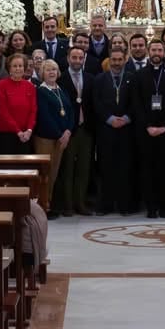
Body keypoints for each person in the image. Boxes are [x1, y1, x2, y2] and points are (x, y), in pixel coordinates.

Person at [129, 39, 165, 218]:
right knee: (147, 170)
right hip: (145, 131)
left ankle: (164, 206)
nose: (156, 53)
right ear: (149, 52)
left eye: (159, 50)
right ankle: (151, 206)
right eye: (154, 50)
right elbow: (136, 104)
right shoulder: (139, 75)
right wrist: (148, 126)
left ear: (164, 53)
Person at [94, 48, 135, 214]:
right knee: (106, 169)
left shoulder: (132, 79)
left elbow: (137, 102)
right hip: (106, 130)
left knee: (125, 169)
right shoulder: (99, 79)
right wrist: (110, 119)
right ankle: (106, 205)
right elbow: (96, 103)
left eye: (120, 59)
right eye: (114, 60)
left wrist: (126, 118)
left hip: (126, 130)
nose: (117, 63)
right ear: (109, 61)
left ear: (125, 60)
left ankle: (124, 205)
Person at [34, 60, 75, 219]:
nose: (52, 72)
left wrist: (68, 131)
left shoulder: (60, 89)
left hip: (61, 138)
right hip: (46, 138)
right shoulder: (41, 91)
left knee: (55, 172)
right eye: (48, 70)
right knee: (45, 174)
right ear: (42, 73)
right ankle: (43, 206)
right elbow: (44, 116)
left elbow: (70, 111)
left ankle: (49, 203)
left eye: (54, 69)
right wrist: (60, 134)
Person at [60, 46, 95, 215]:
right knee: (68, 168)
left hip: (86, 128)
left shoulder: (90, 78)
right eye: (74, 57)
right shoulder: (61, 78)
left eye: (80, 58)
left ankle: (80, 203)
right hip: (68, 129)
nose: (77, 61)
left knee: (84, 167)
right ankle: (68, 205)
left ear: (84, 59)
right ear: (68, 58)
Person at [0, 54, 37, 155]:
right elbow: (3, 111)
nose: (18, 69)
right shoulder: (1, 85)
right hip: (6, 135)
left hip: (26, 135)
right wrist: (18, 131)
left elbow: (33, 110)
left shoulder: (30, 86)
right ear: (9, 68)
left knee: (24, 169)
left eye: (20, 66)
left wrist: (29, 130)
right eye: (15, 66)